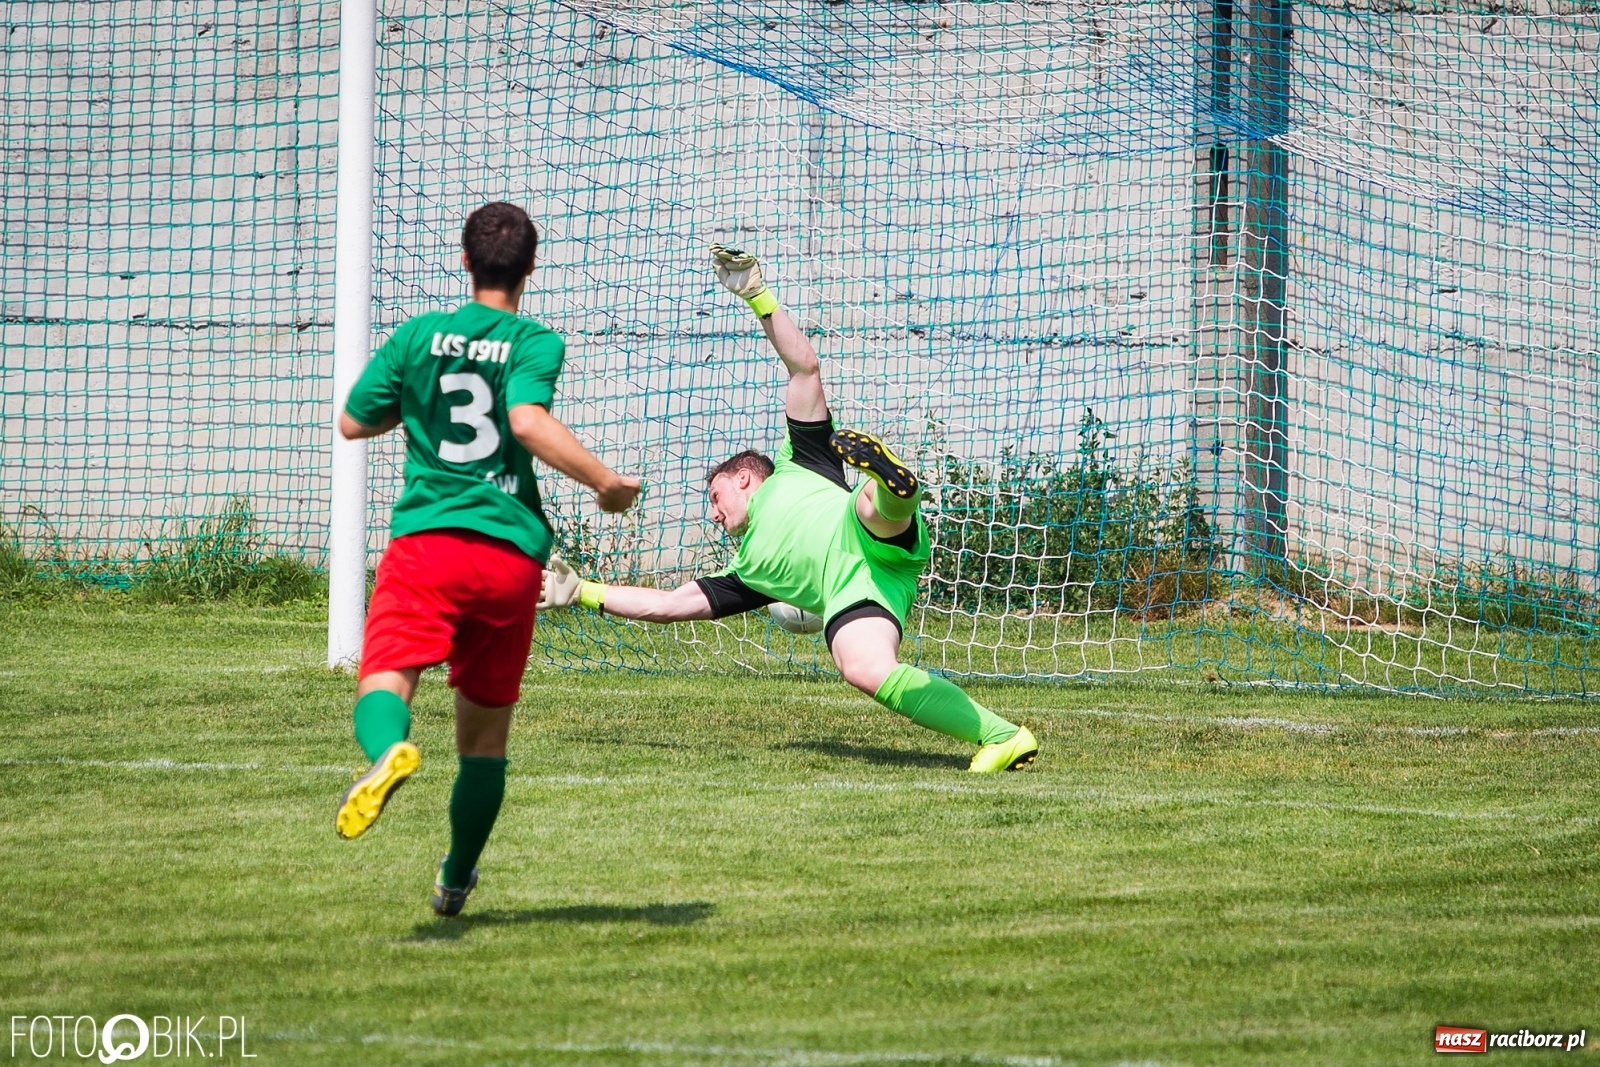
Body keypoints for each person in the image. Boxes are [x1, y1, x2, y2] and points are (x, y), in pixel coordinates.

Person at [540, 245, 1037, 773]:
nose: (713, 514)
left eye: (716, 496)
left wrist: (759, 296)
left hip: (867, 535)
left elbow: (804, 369)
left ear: (745, 477)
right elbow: (666, 605)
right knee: (862, 667)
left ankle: (894, 483)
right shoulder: (750, 573)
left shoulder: (802, 461)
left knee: (868, 505)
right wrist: (583, 592)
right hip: (859, 592)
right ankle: (1004, 737)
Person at [334, 202, 640, 917]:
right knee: (485, 737)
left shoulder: (416, 336)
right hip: (508, 558)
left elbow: (354, 419)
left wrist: (413, 405)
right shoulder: (534, 341)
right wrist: (606, 483)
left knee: (387, 676)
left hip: (428, 544)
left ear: (466, 261)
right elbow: (525, 418)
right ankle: (455, 877)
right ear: (530, 267)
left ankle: (388, 754)